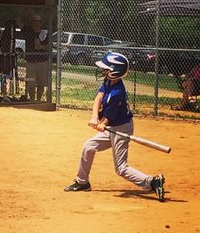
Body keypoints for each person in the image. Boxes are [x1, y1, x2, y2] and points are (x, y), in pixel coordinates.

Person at [64, 51, 165, 202]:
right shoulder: (109, 82)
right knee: (88, 147)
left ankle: (152, 181)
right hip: (112, 127)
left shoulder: (117, 92)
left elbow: (108, 118)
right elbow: (99, 97)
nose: (103, 71)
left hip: (121, 128)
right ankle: (82, 182)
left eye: (106, 69)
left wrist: (101, 124)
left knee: (121, 168)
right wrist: (94, 117)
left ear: (115, 72)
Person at [16, 15, 49, 101]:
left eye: (38, 21)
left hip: (42, 62)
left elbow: (49, 47)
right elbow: (18, 22)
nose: (36, 23)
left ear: (41, 23)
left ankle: (38, 100)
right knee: (31, 83)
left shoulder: (44, 33)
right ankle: (32, 100)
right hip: (30, 62)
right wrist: (25, 12)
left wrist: (40, 46)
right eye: (34, 21)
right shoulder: (28, 31)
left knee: (41, 83)